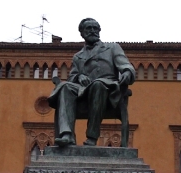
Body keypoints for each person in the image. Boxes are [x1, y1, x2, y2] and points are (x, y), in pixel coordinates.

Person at [48, 18, 135, 147]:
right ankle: (67, 135)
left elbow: (126, 66)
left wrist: (127, 73)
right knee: (65, 86)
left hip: (108, 90)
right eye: (89, 28)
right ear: (82, 33)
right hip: (84, 92)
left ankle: (92, 137)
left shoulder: (112, 48)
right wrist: (79, 76)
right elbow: (72, 77)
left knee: (98, 85)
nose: (93, 31)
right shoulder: (78, 56)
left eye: (96, 28)